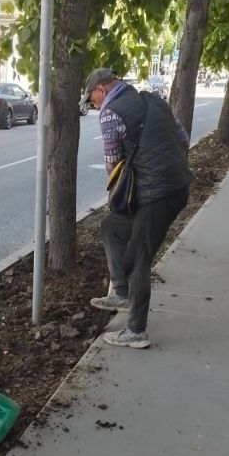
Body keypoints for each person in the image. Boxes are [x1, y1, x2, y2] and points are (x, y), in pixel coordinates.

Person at [81, 68, 191, 348]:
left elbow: (112, 164)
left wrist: (122, 194)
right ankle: (121, 292)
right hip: (177, 188)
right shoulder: (153, 99)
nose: (94, 106)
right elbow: (183, 139)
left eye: (92, 100)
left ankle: (136, 331)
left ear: (101, 90)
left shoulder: (110, 113)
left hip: (157, 195)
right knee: (111, 227)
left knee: (139, 257)